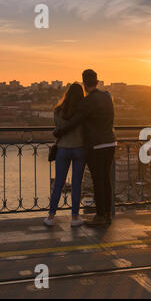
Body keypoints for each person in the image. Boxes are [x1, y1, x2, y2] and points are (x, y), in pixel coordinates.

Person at [54, 69, 116, 226]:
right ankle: (108, 213)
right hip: (111, 142)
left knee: (97, 180)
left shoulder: (88, 101)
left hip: (97, 145)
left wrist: (59, 131)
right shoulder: (107, 96)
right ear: (97, 81)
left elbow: (76, 120)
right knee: (106, 180)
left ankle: (100, 216)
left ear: (84, 83)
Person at [44, 83, 86, 227]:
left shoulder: (58, 110)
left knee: (58, 184)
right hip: (80, 149)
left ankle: (50, 217)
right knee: (76, 184)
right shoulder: (83, 111)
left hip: (63, 148)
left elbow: (58, 128)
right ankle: (75, 218)